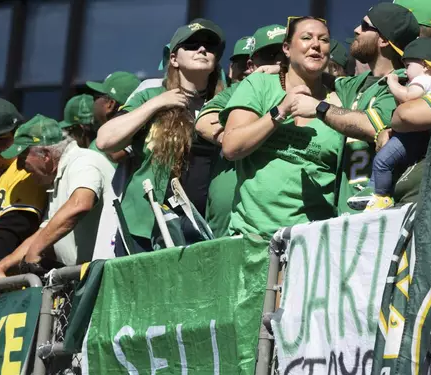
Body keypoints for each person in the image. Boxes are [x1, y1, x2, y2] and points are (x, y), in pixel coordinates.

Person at [96, 19, 225, 253]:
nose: (202, 49)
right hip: (146, 227)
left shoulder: (227, 103)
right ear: (174, 58)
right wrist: (157, 104)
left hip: (203, 230)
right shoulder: (151, 94)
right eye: (192, 45)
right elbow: (105, 141)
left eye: (209, 46)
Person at [290, 3, 421, 216]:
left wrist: (321, 108)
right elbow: (319, 76)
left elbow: (371, 125)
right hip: (346, 214)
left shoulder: (404, 85)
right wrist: (281, 67)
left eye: (365, 26)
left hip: (383, 214)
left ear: (384, 40)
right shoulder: (356, 83)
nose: (356, 30)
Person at [220, 16, 342, 238]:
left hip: (313, 240)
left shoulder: (338, 100)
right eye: (306, 38)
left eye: (323, 40)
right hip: (252, 238)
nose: (316, 44)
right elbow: (231, 147)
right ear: (286, 48)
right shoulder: (259, 84)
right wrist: (280, 111)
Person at [0, 115, 116, 288]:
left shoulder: (83, 161)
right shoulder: (57, 179)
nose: (20, 166)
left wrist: (36, 250)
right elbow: (44, 231)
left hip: (108, 280)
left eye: (23, 156)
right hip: (88, 280)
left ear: (46, 155)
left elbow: (80, 204)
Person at [196, 24, 286, 238]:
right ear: (252, 64)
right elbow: (204, 122)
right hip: (228, 225)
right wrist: (248, 134)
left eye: (283, 54)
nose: (279, 61)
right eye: (270, 55)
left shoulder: (310, 89)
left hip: (280, 219)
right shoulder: (240, 89)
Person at [362, 38, 431, 210]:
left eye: (407, 66)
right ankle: (373, 191)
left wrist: (392, 82)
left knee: (382, 161)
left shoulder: (424, 80)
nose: (405, 72)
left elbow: (408, 96)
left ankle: (381, 196)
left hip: (412, 135)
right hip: (420, 135)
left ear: (425, 65)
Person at [0, 99, 47, 271]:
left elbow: (12, 234)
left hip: (12, 285)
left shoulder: (25, 171)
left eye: (0, 140)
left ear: (17, 135)